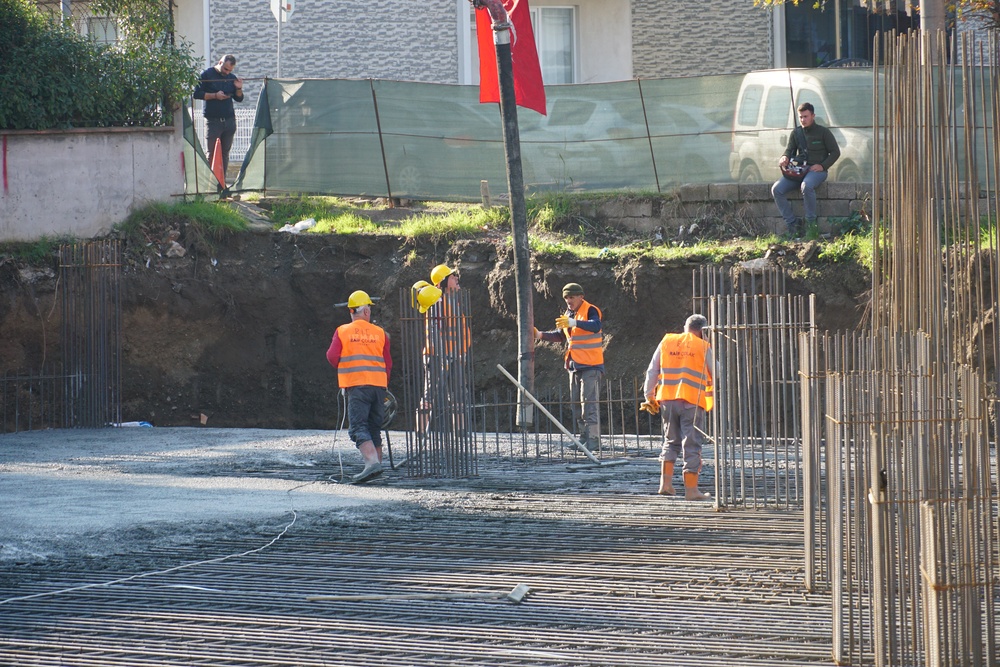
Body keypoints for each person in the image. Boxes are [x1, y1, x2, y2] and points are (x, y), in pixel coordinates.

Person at [640, 314, 714, 501]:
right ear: (703, 331)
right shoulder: (703, 346)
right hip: (691, 401)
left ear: (685, 326)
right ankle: (691, 491)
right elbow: (717, 372)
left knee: (670, 440)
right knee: (691, 443)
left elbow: (652, 370)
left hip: (667, 400)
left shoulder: (667, 341)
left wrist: (649, 396)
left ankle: (665, 485)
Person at [326, 290, 392, 482]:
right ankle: (377, 470)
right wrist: (384, 384)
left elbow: (332, 356)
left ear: (351, 312)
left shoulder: (343, 331)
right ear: (365, 312)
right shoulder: (381, 333)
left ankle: (372, 464)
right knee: (373, 427)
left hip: (357, 386)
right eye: (369, 309)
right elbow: (387, 362)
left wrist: (347, 366)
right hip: (379, 387)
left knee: (357, 428)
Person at [534, 282, 604, 450]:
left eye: (571, 297)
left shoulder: (590, 310)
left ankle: (593, 440)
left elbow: (596, 326)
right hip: (574, 365)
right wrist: (539, 335)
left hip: (591, 366)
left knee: (589, 404)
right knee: (576, 405)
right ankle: (583, 439)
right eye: (566, 298)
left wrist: (575, 323)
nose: (568, 301)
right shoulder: (569, 314)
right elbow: (560, 336)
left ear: (581, 296)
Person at [771, 102, 840, 237]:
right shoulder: (796, 133)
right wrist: (784, 157)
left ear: (813, 116)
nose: (803, 120)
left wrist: (823, 166)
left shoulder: (823, 132)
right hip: (799, 171)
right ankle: (792, 224)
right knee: (776, 189)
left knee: (806, 186)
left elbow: (835, 152)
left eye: (806, 116)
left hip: (816, 171)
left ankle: (811, 225)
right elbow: (789, 150)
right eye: (801, 117)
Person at [421, 264, 472, 433]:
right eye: (451, 277)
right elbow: (434, 330)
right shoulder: (437, 302)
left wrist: (460, 353)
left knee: (458, 395)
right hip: (437, 356)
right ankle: (421, 433)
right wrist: (443, 355)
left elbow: (459, 333)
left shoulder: (454, 303)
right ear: (442, 283)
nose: (456, 278)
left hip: (454, 355)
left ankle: (461, 432)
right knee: (429, 395)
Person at [193, 55, 244, 176]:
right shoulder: (206, 74)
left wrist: (238, 88)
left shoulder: (232, 78)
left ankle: (222, 183)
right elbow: (197, 94)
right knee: (212, 153)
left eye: (230, 70)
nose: (227, 72)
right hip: (213, 121)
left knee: (225, 154)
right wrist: (215, 96)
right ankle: (211, 183)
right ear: (220, 62)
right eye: (225, 69)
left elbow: (239, 98)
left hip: (229, 120)